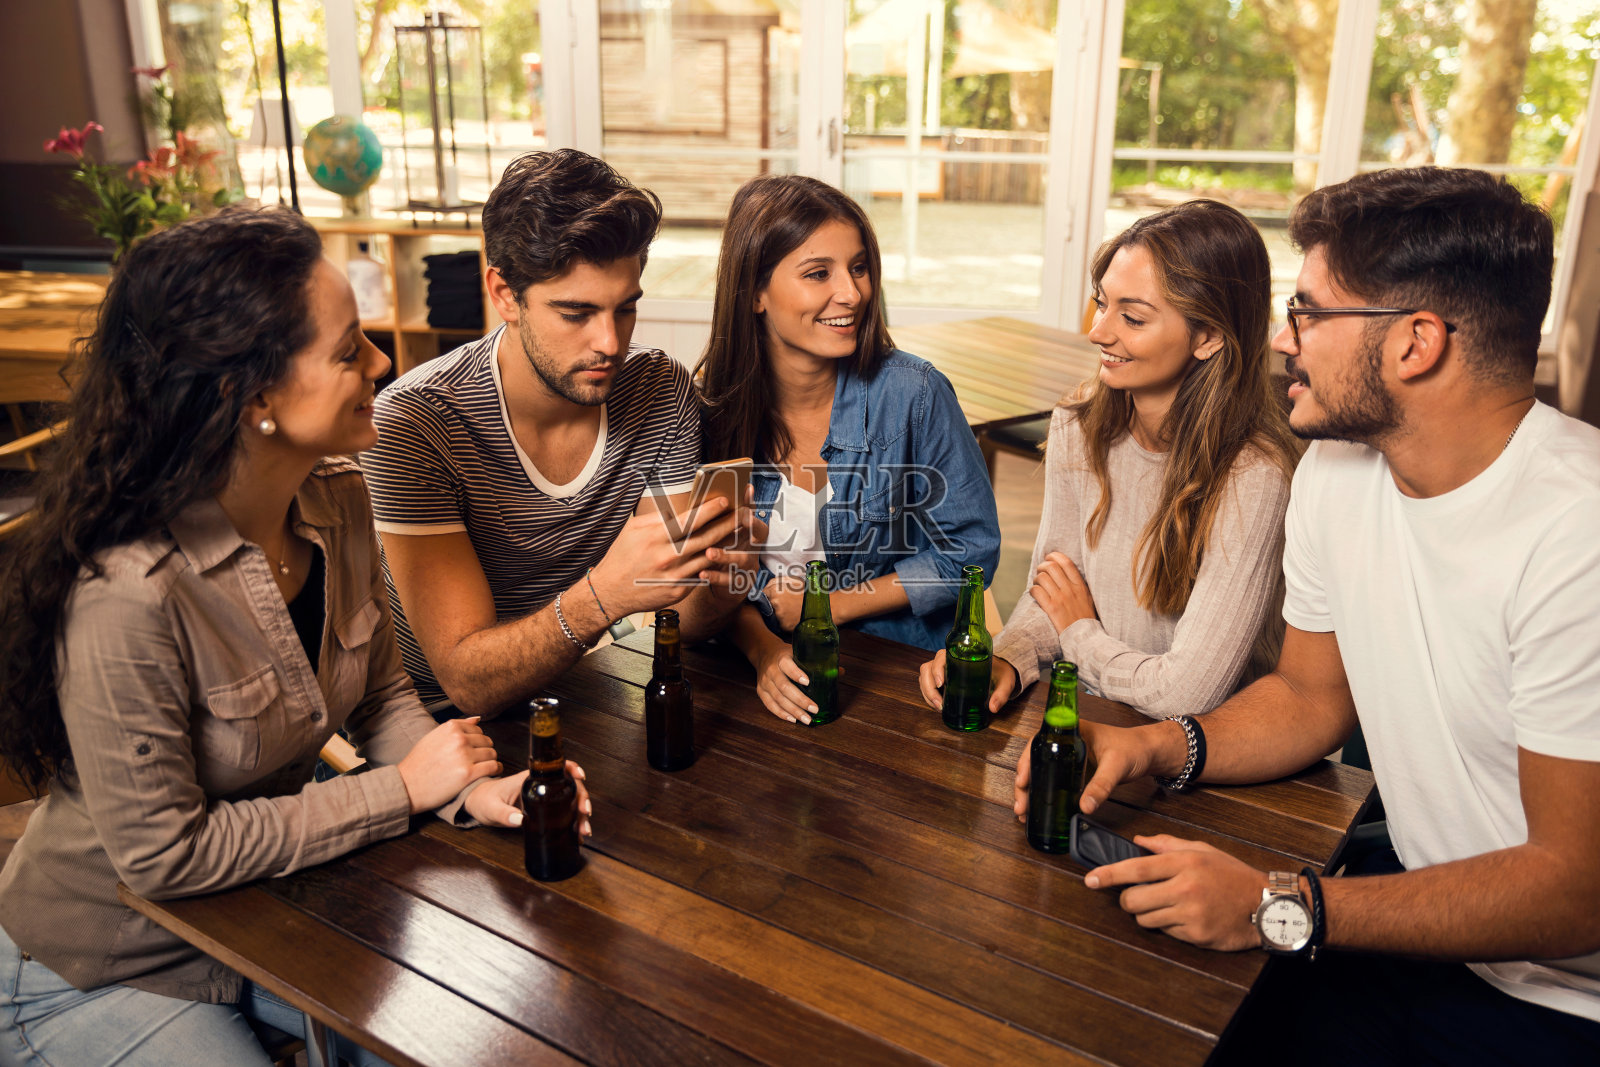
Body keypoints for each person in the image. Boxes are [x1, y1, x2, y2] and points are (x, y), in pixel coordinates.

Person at [1018, 168, 1600, 1063]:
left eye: (1309, 312)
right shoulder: (1338, 470)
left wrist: (1278, 903)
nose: (1283, 339)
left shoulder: (1579, 532)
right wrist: (1152, 747)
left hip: (1565, 997)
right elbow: (1307, 696)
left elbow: (1575, 889)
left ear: (1415, 342)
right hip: (1416, 911)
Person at [0, 208, 592, 1067]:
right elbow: (166, 855)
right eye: (349, 349)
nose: (382, 362)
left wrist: (469, 788)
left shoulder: (339, 496)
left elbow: (384, 693)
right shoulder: (126, 592)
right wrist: (400, 792)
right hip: (104, 962)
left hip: (269, 910)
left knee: (505, 1029)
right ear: (256, 400)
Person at [362, 150, 751, 719]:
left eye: (625, 309)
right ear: (503, 295)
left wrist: (720, 589)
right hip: (440, 729)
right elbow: (467, 682)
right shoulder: (416, 423)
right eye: (576, 313)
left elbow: (678, 616)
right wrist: (606, 594)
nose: (610, 343)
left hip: (581, 687)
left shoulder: (659, 390)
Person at [919, 200, 1298, 720]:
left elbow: (1185, 696)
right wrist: (1006, 657)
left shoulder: (1254, 477)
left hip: (1201, 756)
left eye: (1133, 317)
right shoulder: (1077, 426)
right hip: (1095, 719)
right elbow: (1051, 594)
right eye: (1102, 304)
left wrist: (1079, 634)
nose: (1099, 332)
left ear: (1209, 336)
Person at [698, 174, 1001, 723]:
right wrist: (765, 653)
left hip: (897, 673)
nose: (854, 293)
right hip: (757, 679)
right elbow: (715, 579)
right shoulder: (711, 412)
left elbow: (970, 550)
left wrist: (831, 604)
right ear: (755, 293)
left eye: (858, 268)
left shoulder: (915, 393)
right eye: (819, 274)